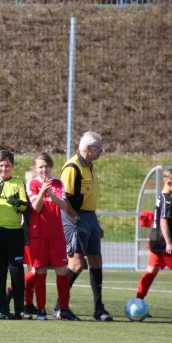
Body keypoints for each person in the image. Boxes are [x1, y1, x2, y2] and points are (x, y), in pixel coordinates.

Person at [52, 131, 113, 321]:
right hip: (75, 218)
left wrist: (95, 223)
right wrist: (75, 218)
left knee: (96, 261)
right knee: (77, 264)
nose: (101, 151)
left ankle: (98, 309)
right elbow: (65, 197)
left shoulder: (91, 167)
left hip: (90, 217)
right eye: (99, 148)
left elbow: (89, 197)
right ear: (88, 148)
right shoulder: (72, 167)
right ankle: (59, 308)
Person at [27, 153, 81, 321]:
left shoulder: (58, 183)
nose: (44, 169)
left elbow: (64, 205)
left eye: (47, 166)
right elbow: (36, 207)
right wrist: (43, 191)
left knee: (62, 271)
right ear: (35, 168)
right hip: (38, 235)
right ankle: (41, 310)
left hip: (56, 234)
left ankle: (63, 309)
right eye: (41, 166)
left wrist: (50, 193)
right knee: (40, 271)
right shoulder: (32, 183)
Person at [0, 150, 31, 320]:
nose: (4, 168)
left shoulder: (18, 183)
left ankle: (19, 309)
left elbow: (25, 207)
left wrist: (16, 203)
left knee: (17, 270)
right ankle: (2, 310)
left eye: (7, 165)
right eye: (1, 165)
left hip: (15, 231)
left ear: (13, 166)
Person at [136, 169, 172, 306]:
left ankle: (138, 301)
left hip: (155, 241)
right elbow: (163, 220)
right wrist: (169, 243)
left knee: (150, 271)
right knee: (151, 271)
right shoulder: (168, 201)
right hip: (164, 244)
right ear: (169, 183)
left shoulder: (160, 197)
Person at [6, 168, 37, 314]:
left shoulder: (33, 193)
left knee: (33, 272)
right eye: (30, 179)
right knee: (36, 271)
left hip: (35, 236)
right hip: (28, 236)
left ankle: (28, 304)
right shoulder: (25, 196)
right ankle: (11, 289)